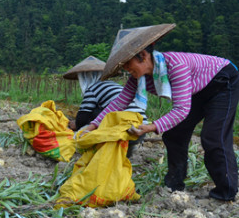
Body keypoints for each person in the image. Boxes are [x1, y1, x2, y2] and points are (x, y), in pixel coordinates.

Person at [83, 23, 239, 201]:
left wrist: (150, 127)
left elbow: (181, 110)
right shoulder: (139, 77)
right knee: (175, 134)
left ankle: (226, 193)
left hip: (221, 82)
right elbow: (120, 101)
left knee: (214, 136)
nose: (126, 69)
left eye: (128, 63)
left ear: (142, 55)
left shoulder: (175, 66)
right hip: (196, 89)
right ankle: (174, 185)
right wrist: (93, 124)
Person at [63, 56, 147, 157]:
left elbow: (83, 116)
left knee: (93, 111)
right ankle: (125, 153)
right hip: (142, 128)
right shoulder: (114, 86)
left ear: (84, 77)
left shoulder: (92, 89)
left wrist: (76, 124)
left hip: (122, 129)